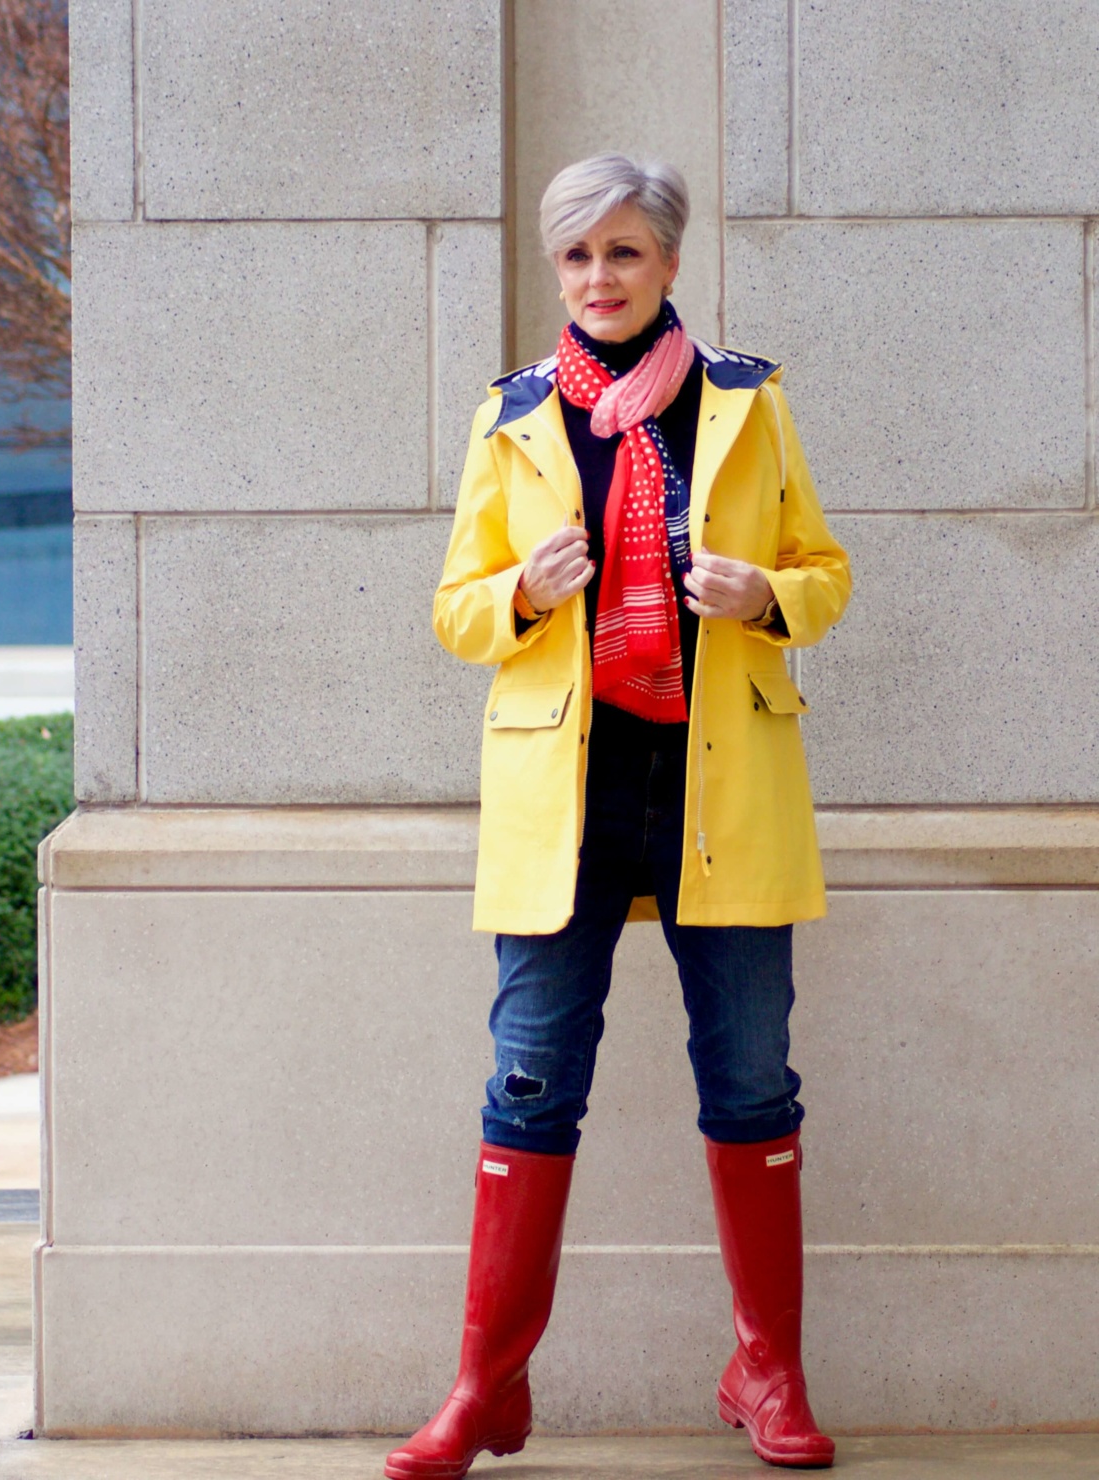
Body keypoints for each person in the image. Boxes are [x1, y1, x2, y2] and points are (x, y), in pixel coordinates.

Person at [384, 153, 852, 1479]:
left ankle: (769, 1370)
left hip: (720, 788)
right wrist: (525, 593)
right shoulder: (513, 417)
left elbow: (829, 572)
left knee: (752, 1076)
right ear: (556, 269)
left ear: (670, 264)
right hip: (568, 797)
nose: (601, 277)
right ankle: (485, 1389)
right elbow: (455, 610)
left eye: (626, 252)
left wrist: (769, 597)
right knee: (528, 1083)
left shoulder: (748, 403)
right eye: (579, 255)